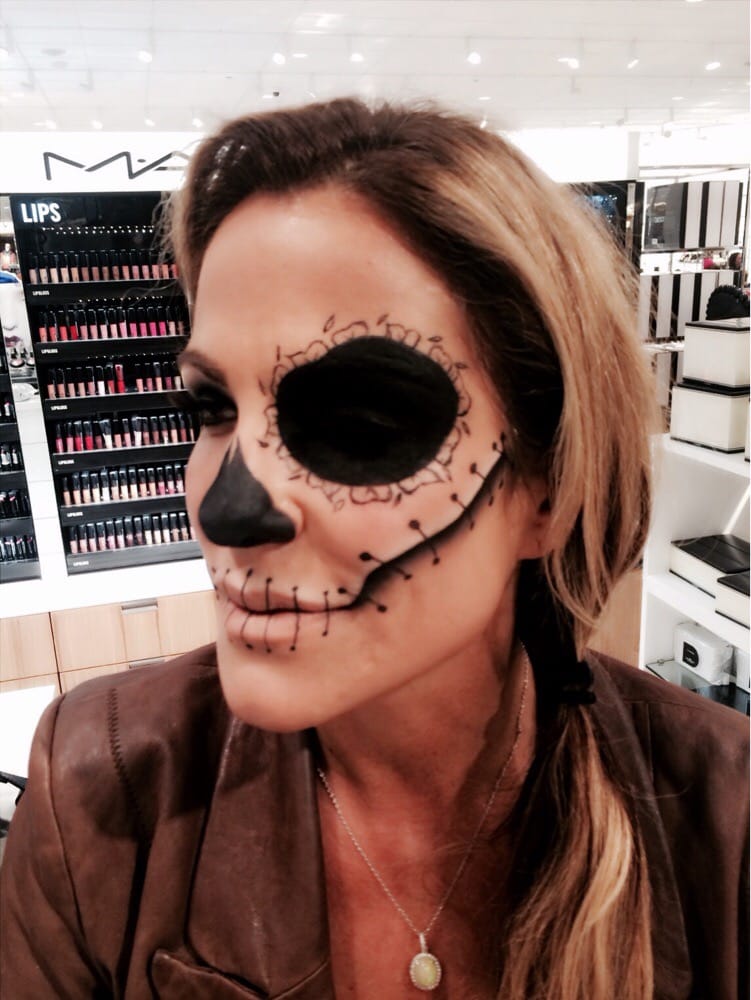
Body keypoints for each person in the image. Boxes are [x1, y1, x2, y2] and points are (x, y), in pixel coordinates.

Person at [1, 98, 747, 1000]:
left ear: (550, 490)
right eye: (212, 407)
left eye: (356, 423)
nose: (229, 508)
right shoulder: (102, 788)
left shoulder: (726, 817)